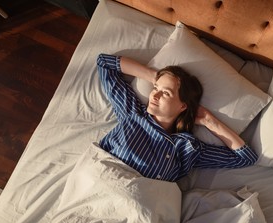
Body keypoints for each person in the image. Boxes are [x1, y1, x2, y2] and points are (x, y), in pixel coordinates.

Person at [96, 53, 257, 182]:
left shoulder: (187, 147)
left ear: (183, 106)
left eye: (166, 93)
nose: (155, 95)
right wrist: (156, 77)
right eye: (155, 88)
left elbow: (246, 158)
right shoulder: (132, 113)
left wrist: (210, 121)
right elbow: (104, 63)